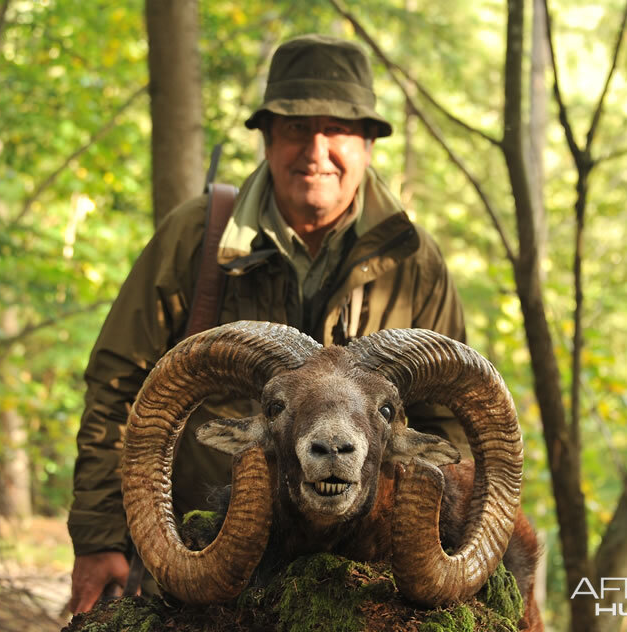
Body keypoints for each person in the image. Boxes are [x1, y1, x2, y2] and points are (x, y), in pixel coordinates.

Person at [67, 33, 468, 614]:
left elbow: (449, 427)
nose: (316, 149)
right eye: (296, 128)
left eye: (339, 130)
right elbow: (117, 391)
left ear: (368, 144)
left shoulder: (413, 261)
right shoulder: (197, 239)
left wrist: (421, 554)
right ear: (266, 136)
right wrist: (101, 537)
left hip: (359, 582)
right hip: (202, 565)